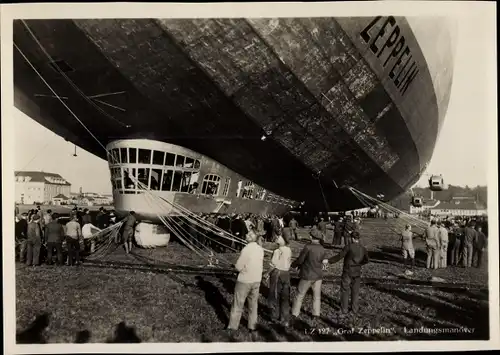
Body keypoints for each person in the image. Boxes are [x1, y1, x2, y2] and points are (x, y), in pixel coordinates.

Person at [227, 231, 264, 334]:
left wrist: (235, 267)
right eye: (247, 234)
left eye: (249, 234)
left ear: (253, 238)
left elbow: (238, 266)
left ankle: (232, 327)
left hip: (245, 280)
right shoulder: (260, 249)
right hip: (257, 279)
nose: (247, 235)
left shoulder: (246, 249)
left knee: (238, 304)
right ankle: (253, 326)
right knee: (253, 304)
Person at [326, 231, 369, 315]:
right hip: (357, 272)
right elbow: (367, 260)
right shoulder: (363, 248)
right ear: (358, 238)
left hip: (347, 272)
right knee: (355, 291)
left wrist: (329, 260)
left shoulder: (348, 247)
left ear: (352, 238)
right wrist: (359, 264)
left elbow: (339, 256)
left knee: (345, 290)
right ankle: (354, 310)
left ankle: (344, 309)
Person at [290, 231, 326, 325]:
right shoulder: (322, 249)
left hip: (307, 275)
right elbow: (321, 262)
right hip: (318, 276)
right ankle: (316, 315)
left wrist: (293, 264)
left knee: (300, 295)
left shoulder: (308, 247)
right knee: (317, 296)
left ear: (311, 237)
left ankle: (294, 314)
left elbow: (301, 260)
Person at [265, 234, 292, 326]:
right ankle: (285, 318)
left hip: (277, 273)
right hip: (286, 274)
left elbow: (273, 264)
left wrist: (267, 273)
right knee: (285, 296)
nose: (276, 238)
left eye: (279, 237)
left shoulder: (277, 251)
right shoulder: (288, 250)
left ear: (284, 239)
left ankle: (274, 316)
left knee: (274, 294)